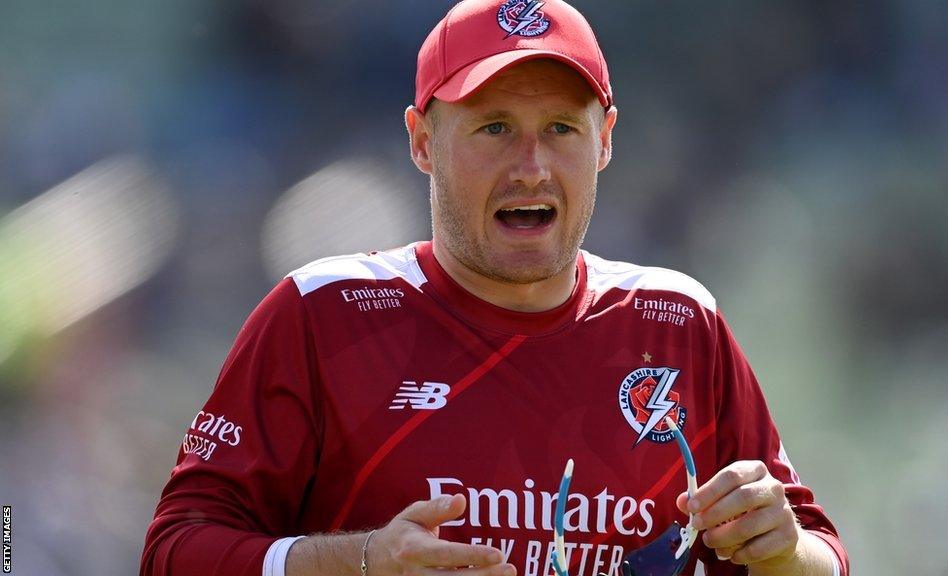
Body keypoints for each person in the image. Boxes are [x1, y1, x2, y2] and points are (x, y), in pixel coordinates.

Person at [140, 1, 850, 575]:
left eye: (562, 129)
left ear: (605, 140)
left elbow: (822, 556)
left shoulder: (677, 321)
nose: (532, 167)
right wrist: (356, 563)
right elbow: (173, 553)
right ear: (421, 140)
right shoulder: (325, 313)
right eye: (495, 127)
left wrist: (785, 554)